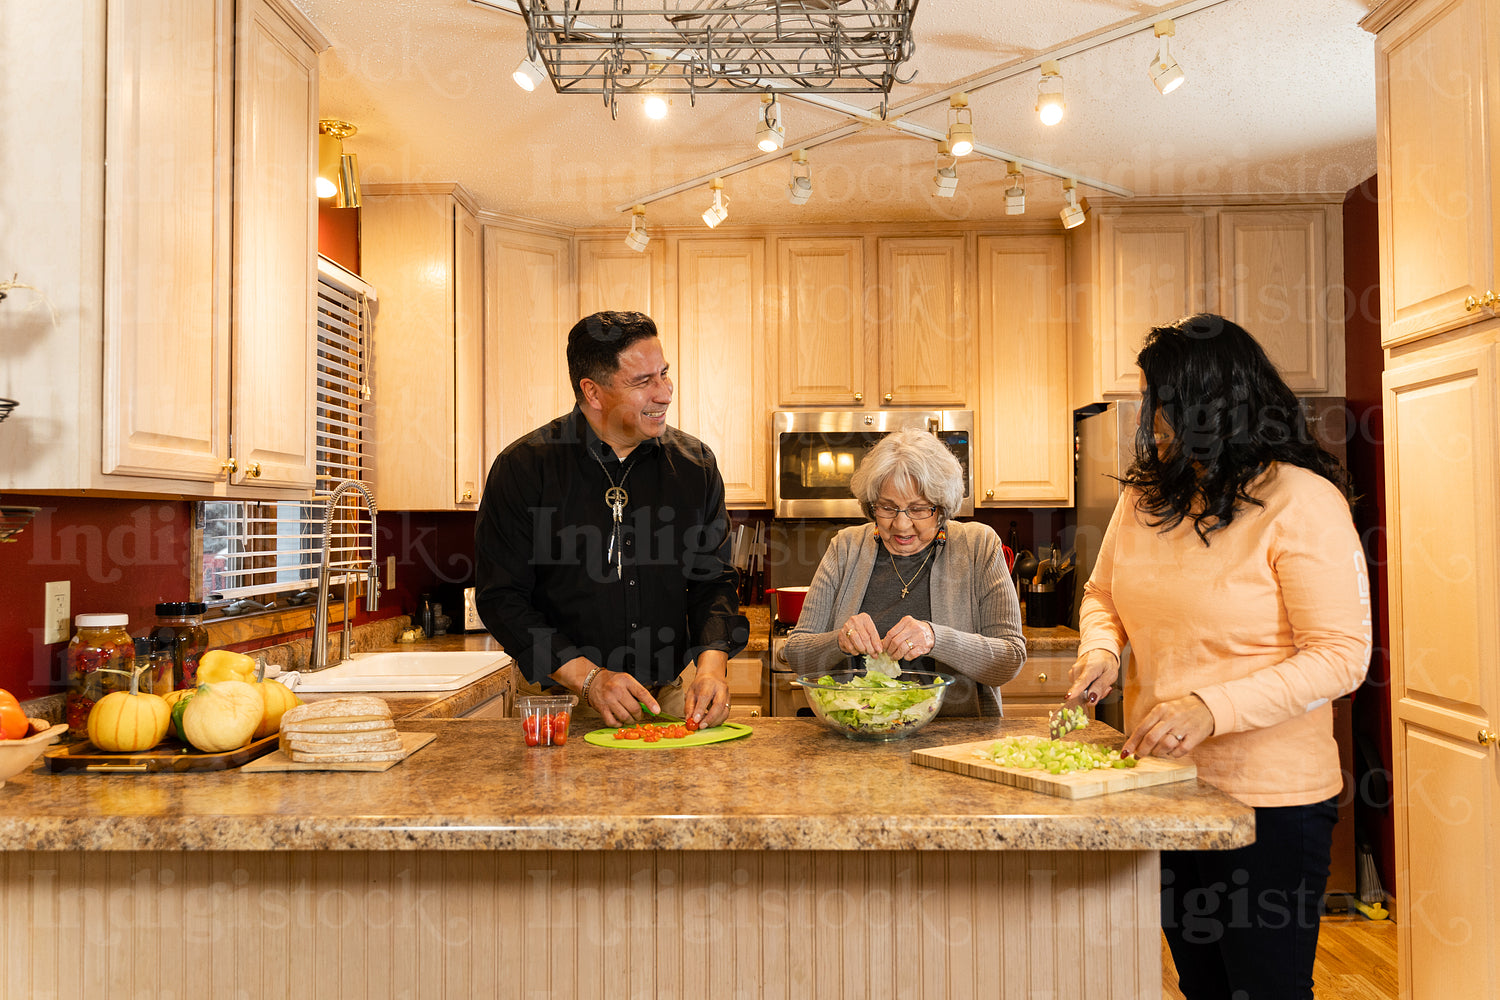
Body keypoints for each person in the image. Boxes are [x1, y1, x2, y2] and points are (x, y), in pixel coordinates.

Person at [1065, 314, 1370, 999]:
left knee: (1264, 988)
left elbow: (1341, 656)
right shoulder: (1145, 498)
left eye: (1166, 405)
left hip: (1270, 803)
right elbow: (1102, 594)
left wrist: (1211, 708)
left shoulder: (1301, 501)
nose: (1156, 423)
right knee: (1201, 985)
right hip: (1166, 788)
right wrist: (1102, 650)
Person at [474, 310, 748, 729]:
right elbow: (502, 599)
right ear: (593, 392)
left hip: (671, 700)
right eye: (644, 382)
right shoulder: (524, 468)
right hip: (561, 704)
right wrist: (590, 679)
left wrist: (712, 668)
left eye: (664, 374)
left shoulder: (696, 466)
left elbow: (713, 581)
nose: (665, 392)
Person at [785, 428, 1026, 715]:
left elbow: (1010, 658)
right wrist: (839, 640)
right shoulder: (846, 547)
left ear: (942, 508)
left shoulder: (978, 546)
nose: (901, 525)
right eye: (887, 508)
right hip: (856, 735)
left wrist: (935, 637)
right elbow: (797, 654)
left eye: (919, 509)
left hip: (954, 741)